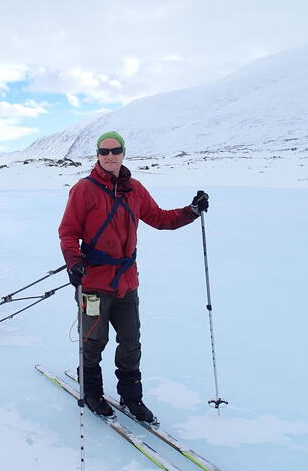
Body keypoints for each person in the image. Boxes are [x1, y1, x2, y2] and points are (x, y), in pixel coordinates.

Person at [58, 131, 209, 422]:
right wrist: (74, 263)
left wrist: (191, 212)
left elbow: (161, 219)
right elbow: (68, 232)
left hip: (127, 282)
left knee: (130, 342)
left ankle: (131, 397)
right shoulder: (83, 190)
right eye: (104, 151)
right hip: (95, 283)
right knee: (93, 341)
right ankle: (91, 390)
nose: (110, 156)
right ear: (98, 155)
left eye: (116, 151)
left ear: (124, 153)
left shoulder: (135, 189)